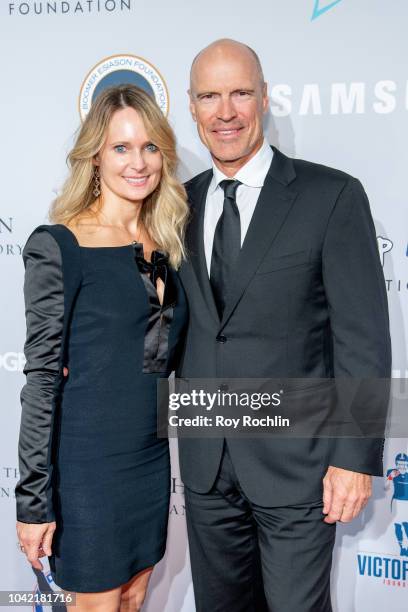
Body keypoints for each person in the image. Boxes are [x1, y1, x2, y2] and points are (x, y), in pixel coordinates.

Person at [177, 39, 391, 611]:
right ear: (192, 108)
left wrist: (353, 456)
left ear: (265, 99)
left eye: (240, 93)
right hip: (206, 466)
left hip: (300, 467)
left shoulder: (331, 196)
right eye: (209, 96)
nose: (226, 112)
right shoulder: (177, 205)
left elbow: (362, 339)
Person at [15, 85, 188, 611]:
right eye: (121, 148)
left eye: (150, 147)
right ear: (94, 155)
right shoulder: (61, 244)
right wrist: (32, 503)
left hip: (150, 461)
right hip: (87, 471)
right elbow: (43, 377)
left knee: (135, 599)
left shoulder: (168, 240)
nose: (138, 162)